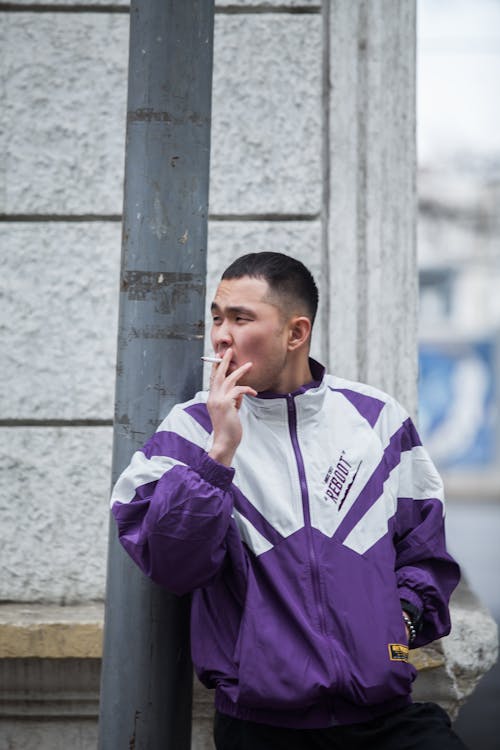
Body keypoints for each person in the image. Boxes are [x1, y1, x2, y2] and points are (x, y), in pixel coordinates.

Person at [111, 252, 466, 749]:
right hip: (264, 727)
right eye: (216, 318)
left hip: (387, 717)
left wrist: (401, 619)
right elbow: (173, 565)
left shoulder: (377, 419)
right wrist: (219, 455)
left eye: (241, 319)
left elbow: (424, 548)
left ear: (296, 333)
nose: (221, 336)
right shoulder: (189, 432)